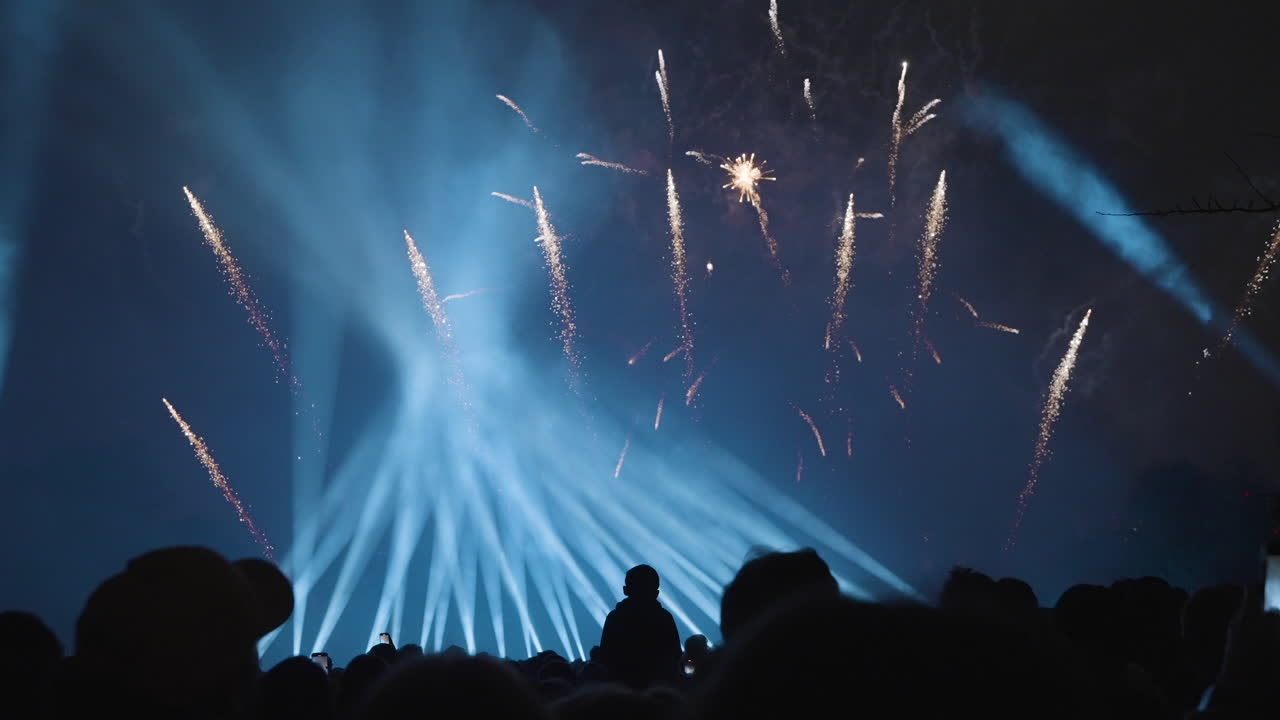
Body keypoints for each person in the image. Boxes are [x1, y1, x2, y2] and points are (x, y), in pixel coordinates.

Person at [597, 565, 681, 689]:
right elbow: (675, 655)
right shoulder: (664, 617)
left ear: (626, 590)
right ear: (656, 593)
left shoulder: (615, 617)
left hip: (623, 688)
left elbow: (606, 656)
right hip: (658, 688)